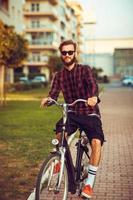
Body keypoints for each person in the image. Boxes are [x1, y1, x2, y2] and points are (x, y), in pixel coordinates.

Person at [40, 39, 105, 199]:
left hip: (89, 112)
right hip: (72, 113)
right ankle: (60, 161)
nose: (67, 55)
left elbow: (92, 86)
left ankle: (89, 183)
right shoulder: (59, 76)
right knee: (59, 133)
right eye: (64, 52)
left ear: (75, 53)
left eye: (70, 52)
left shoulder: (85, 70)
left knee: (96, 142)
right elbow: (53, 93)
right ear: (61, 55)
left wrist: (93, 97)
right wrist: (48, 99)